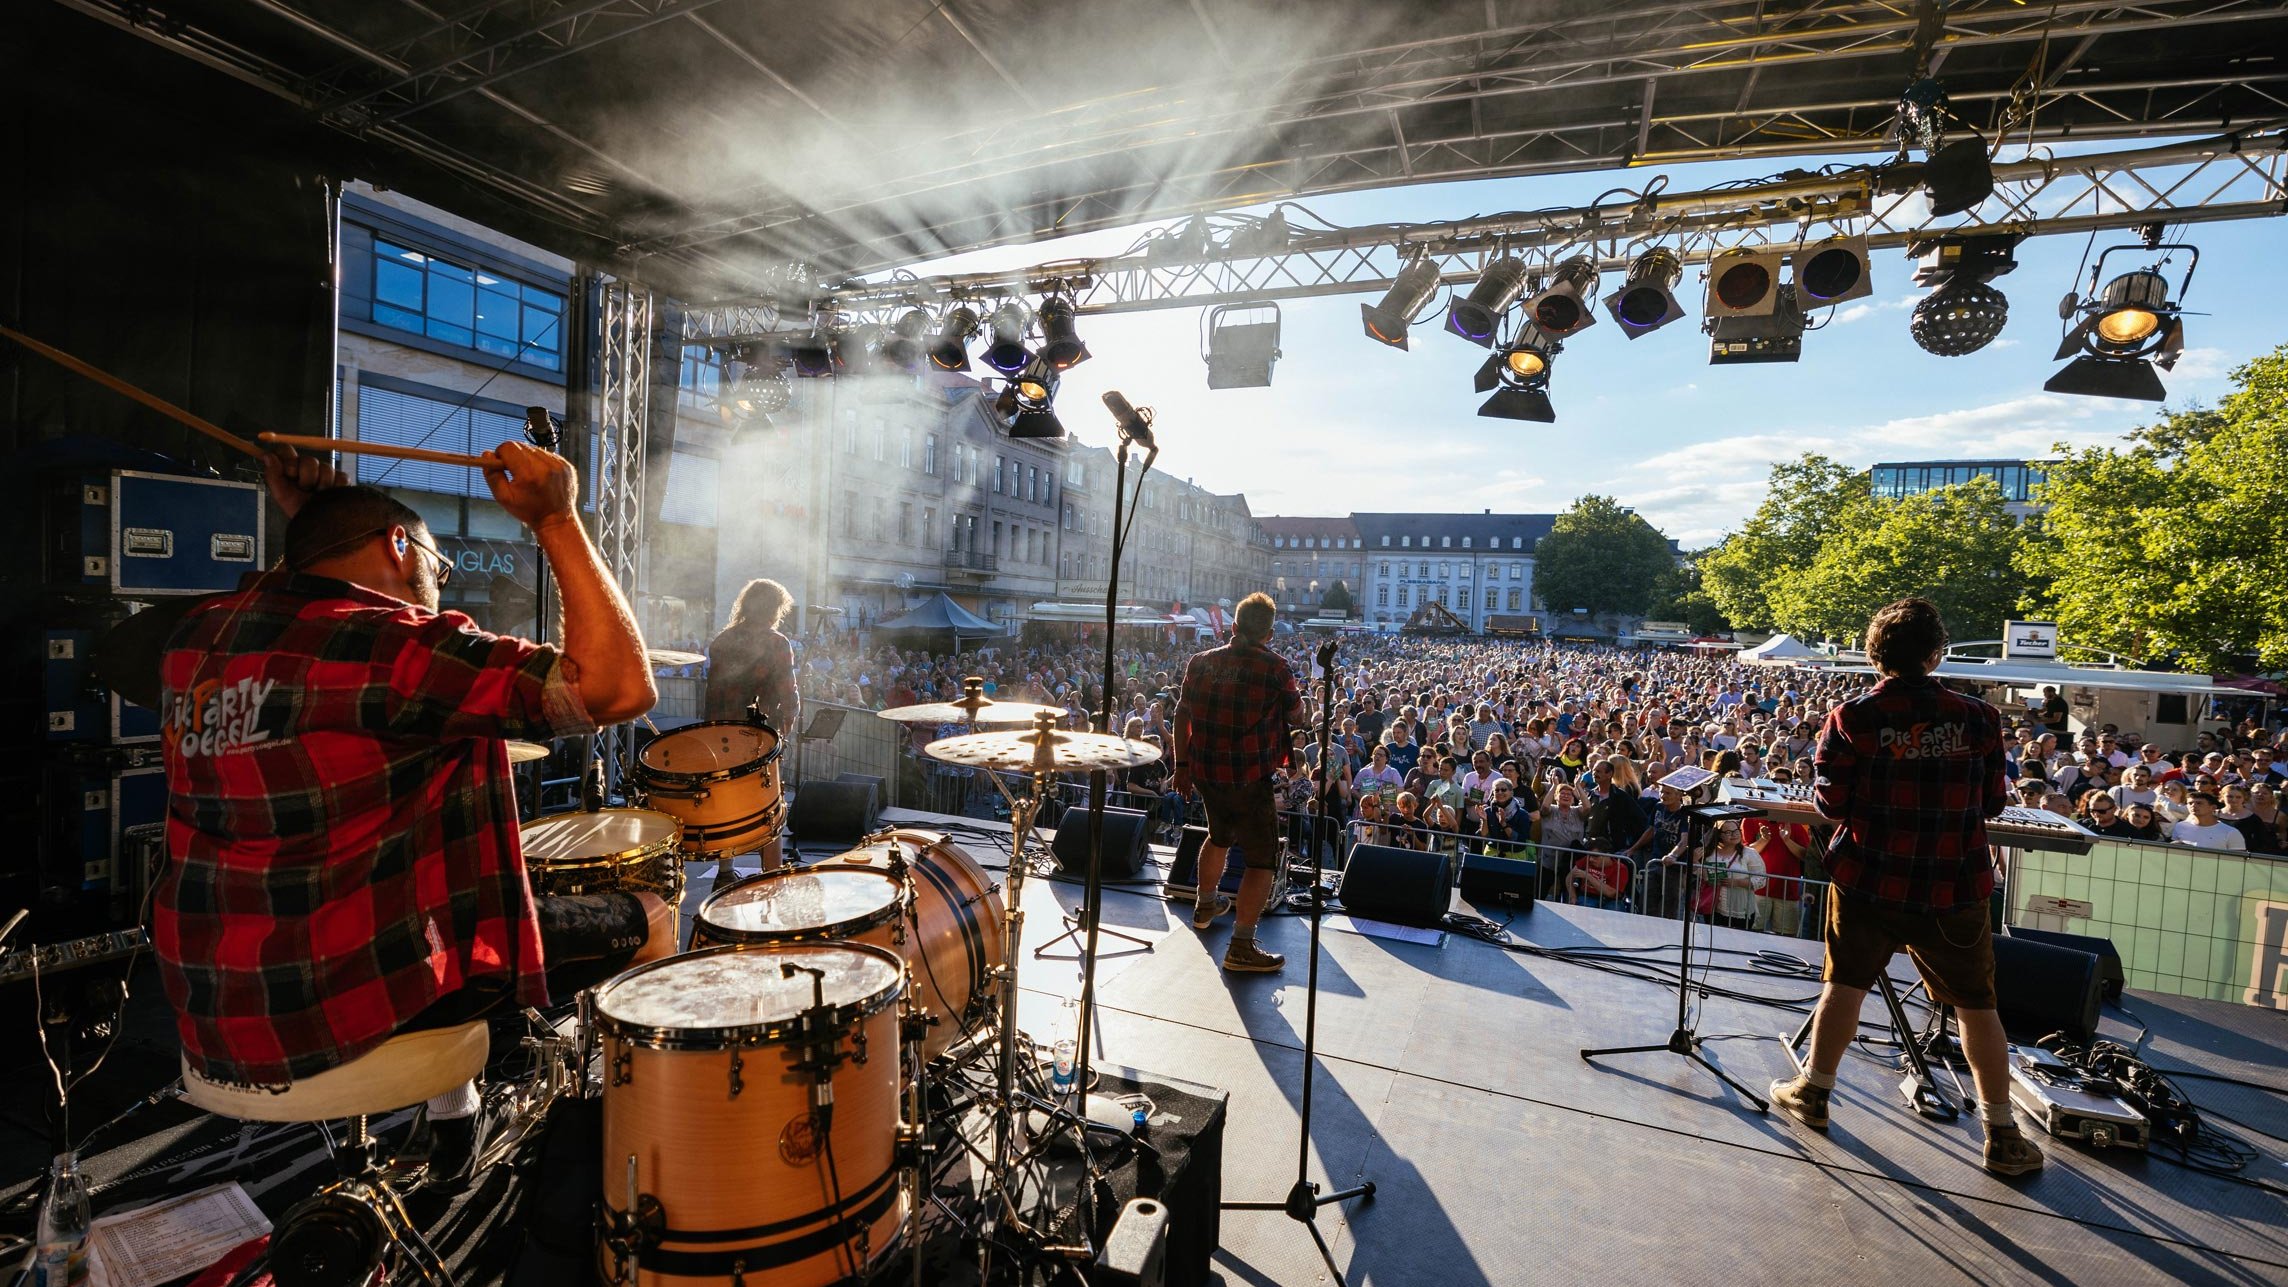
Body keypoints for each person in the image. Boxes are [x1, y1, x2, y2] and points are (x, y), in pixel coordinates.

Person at [157, 449, 673, 1179]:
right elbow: (622, 686)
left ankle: (455, 1121)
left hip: (213, 1005)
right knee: (650, 911)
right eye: (439, 561)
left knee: (431, 874)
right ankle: (634, 1163)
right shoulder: (400, 648)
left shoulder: (197, 641)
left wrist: (315, 524)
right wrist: (556, 516)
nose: (440, 581)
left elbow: (290, 618)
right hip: (342, 1001)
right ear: (399, 546)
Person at [1769, 597, 2045, 1177]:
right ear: (1936, 655)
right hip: (1955, 881)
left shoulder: (1851, 717)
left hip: (1869, 877)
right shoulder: (1979, 717)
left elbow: (1831, 802)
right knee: (1977, 1004)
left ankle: (1814, 1094)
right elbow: (1994, 801)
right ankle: (2002, 1135)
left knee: (1844, 985)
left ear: (1874, 655)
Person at [1171, 593, 1301, 973]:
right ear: (1270, 633)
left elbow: (1182, 713)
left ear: (1233, 626)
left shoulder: (1201, 662)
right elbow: (1297, 714)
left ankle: (1206, 902)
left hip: (1206, 772)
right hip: (1248, 776)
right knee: (1262, 861)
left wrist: (1181, 765)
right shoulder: (1276, 668)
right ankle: (1241, 946)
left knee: (1219, 835)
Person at [705, 577, 801, 732]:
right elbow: (788, 691)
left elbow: (712, 693)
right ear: (774, 609)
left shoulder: (722, 640)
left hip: (722, 733)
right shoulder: (777, 643)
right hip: (759, 732)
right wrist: (787, 724)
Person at [2170, 790, 2247, 850]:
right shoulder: (2180, 826)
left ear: (2213, 808)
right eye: (2190, 803)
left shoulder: (2231, 832)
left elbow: (2239, 861)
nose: (2193, 806)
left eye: (2199, 803)